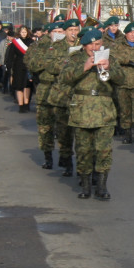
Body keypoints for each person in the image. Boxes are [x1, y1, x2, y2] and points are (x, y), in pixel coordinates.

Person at [58, 28, 124, 200]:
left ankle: (102, 186)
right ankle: (86, 186)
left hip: (104, 110)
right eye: (91, 45)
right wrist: (84, 67)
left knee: (104, 150)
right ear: (84, 45)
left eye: (98, 44)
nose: (95, 48)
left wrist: (109, 69)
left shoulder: (109, 58)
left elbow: (122, 78)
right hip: (82, 110)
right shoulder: (75, 58)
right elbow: (64, 77)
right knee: (83, 150)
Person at [43, 18, 81, 176]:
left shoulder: (83, 46)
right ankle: (67, 161)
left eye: (76, 30)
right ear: (65, 32)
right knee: (64, 133)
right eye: (70, 30)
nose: (73, 33)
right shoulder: (56, 47)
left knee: (79, 134)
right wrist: (67, 63)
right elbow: (50, 66)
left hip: (79, 96)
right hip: (62, 95)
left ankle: (81, 165)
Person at [25, 19, 64, 169]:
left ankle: (64, 156)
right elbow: (32, 64)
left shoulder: (70, 47)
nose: (59, 35)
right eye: (56, 32)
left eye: (61, 32)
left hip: (62, 91)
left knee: (63, 127)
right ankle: (48, 156)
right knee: (45, 127)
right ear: (50, 33)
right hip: (46, 89)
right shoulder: (40, 46)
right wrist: (50, 59)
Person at [5, 25, 34, 112]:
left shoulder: (32, 42)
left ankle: (26, 104)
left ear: (27, 32)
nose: (24, 33)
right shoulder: (15, 42)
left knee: (27, 86)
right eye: (22, 32)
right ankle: (20, 105)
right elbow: (10, 55)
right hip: (18, 66)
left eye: (25, 32)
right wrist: (8, 66)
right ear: (19, 33)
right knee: (19, 86)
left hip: (29, 66)